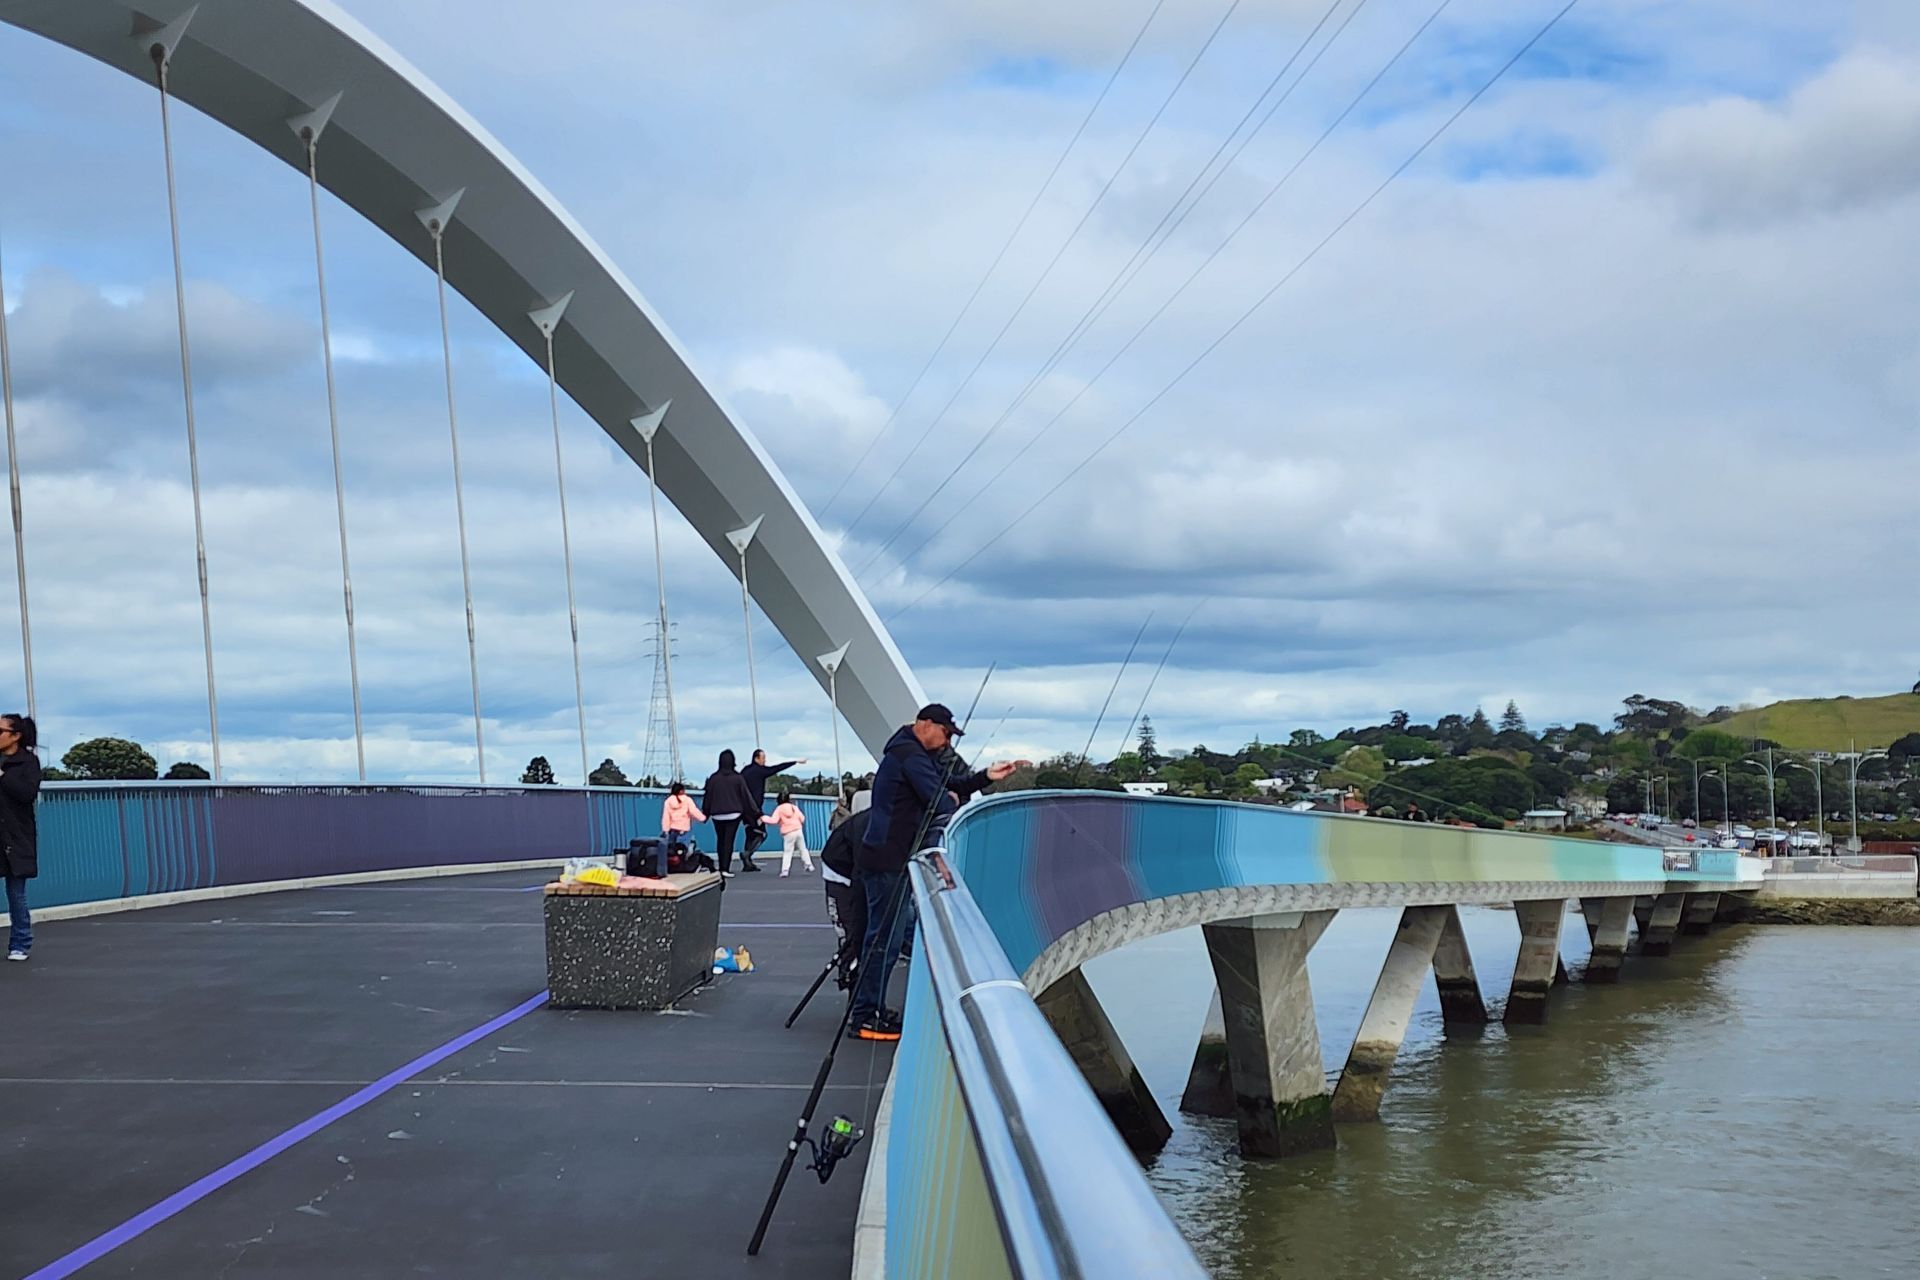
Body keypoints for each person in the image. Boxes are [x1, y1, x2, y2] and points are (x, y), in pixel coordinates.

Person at [848, 704, 1027, 1041]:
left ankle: (869, 1009)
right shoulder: (910, 756)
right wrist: (950, 797)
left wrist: (985, 777)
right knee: (883, 941)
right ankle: (864, 1017)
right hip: (889, 858)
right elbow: (939, 800)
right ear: (926, 725)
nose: (947, 743)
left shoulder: (910, 753)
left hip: (889, 857)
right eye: (945, 733)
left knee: (890, 936)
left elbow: (948, 786)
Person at [1, 713, 42, 962]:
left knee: (16, 893)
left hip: (15, 835)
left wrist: (3, 777)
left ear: (15, 735)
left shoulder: (28, 762)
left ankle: (21, 943)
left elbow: (27, 793)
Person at [819, 790, 869, 990]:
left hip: (845, 869)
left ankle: (854, 979)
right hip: (841, 874)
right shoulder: (863, 826)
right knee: (850, 933)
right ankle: (850, 976)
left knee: (855, 932)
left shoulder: (858, 822)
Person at [740, 749, 805, 871]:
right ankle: (747, 854)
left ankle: (747, 863)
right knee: (761, 834)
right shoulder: (759, 771)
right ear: (756, 758)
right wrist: (794, 762)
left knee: (750, 832)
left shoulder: (745, 771)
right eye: (763, 758)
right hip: (755, 808)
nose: (765, 760)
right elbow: (776, 768)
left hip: (743, 807)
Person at [701, 750, 757, 877]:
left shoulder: (714, 778)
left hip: (717, 814)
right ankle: (725, 868)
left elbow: (708, 797)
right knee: (728, 841)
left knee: (720, 840)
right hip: (734, 813)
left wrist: (705, 813)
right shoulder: (737, 778)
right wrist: (756, 813)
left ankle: (721, 867)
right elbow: (746, 797)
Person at [660, 781, 704, 869]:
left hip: (672, 829)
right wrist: (702, 818)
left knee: (672, 850)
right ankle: (683, 865)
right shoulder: (687, 800)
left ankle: (672, 866)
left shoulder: (668, 801)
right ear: (682, 790)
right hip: (684, 829)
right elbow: (694, 811)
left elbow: (666, 817)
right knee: (683, 849)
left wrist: (665, 830)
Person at [769, 790, 813, 876]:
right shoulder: (794, 807)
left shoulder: (779, 809)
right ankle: (809, 864)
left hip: (788, 832)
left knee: (788, 851)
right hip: (798, 830)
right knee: (803, 848)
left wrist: (763, 818)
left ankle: (785, 870)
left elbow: (773, 820)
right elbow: (802, 818)